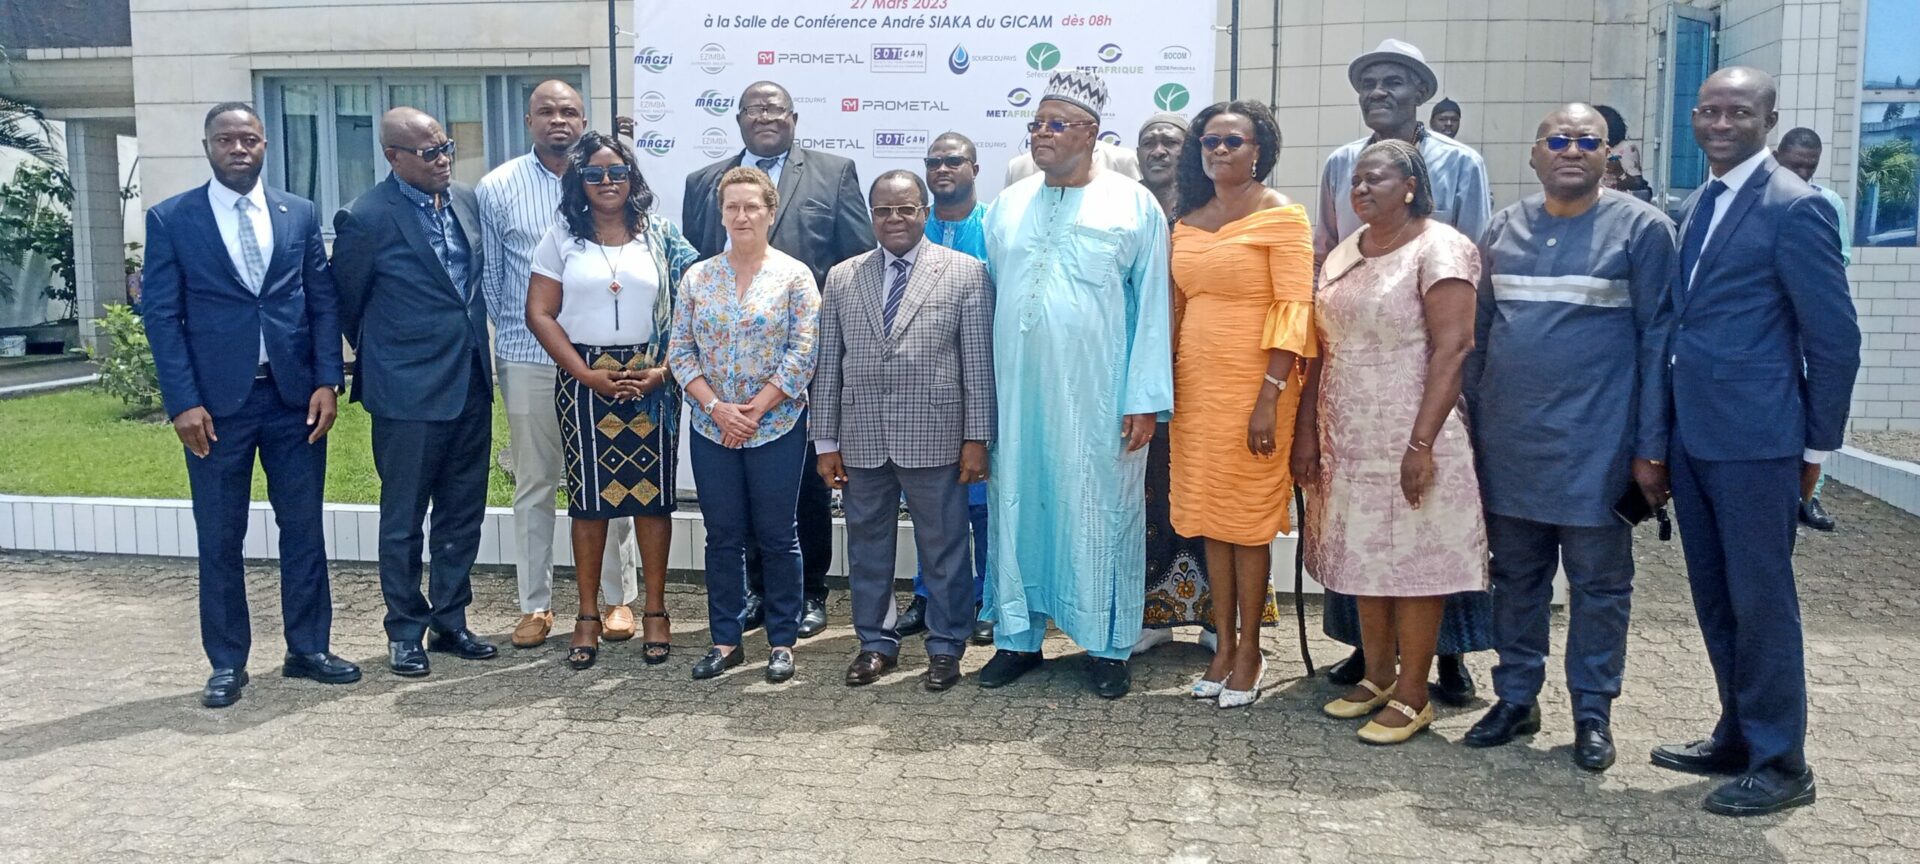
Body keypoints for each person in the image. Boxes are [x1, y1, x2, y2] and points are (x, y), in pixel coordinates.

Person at [1652, 67, 1859, 817]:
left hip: (1759, 441)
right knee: (1716, 596)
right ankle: (1738, 734)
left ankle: (1782, 763)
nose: (1720, 123)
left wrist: (1815, 452)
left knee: (1762, 601)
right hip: (1696, 435)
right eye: (1708, 110)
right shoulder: (1697, 203)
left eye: (1738, 111)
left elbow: (1834, 339)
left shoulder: (1795, 206)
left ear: (1768, 120)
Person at [1459, 105, 1677, 772]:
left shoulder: (1644, 229)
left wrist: (1651, 448)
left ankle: (1592, 712)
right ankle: (1516, 697)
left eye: (1587, 141)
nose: (1572, 150)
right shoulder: (1503, 228)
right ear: (1535, 154)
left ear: (1609, 155)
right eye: (1558, 140)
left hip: (1599, 450)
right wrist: (1470, 434)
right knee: (1515, 579)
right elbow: (1478, 340)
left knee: (1599, 586)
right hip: (1512, 446)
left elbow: (1660, 344)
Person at [142, 101, 359, 707]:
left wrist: (327, 379)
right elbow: (161, 316)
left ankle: (308, 649)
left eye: (249, 139)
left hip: (294, 400)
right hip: (214, 409)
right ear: (207, 147)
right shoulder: (172, 218)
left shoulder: (298, 213)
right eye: (226, 140)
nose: (238, 149)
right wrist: (182, 402)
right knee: (220, 536)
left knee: (304, 529)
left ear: (265, 145)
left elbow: (321, 301)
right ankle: (226, 662)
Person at [977, 70, 1173, 699]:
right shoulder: (1007, 206)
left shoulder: (1134, 204)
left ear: (1091, 133)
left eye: (1055, 124)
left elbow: (1153, 308)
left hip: (1100, 398)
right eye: (1035, 123)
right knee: (1018, 505)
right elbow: (992, 301)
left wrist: (1145, 399)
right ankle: (1018, 638)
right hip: (1018, 394)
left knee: (1101, 510)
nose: (1041, 134)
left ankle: (1109, 646)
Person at [1313, 38, 1493, 703]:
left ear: (1420, 92)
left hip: (1425, 381)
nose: (1379, 92)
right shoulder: (1340, 161)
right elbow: (1330, 254)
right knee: (1362, 532)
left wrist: (1439, 413)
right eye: (1369, 83)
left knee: (1428, 533)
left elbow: (1467, 276)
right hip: (1353, 394)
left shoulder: (1460, 167)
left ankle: (1445, 662)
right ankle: (1373, 661)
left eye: (1394, 81)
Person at [682, 81, 873, 638]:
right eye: (753, 109)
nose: (764, 116)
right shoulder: (703, 182)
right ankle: (753, 593)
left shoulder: (833, 173)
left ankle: (809, 592)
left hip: (802, 365)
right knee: (735, 502)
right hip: (722, 380)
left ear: (793, 116)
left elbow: (858, 261)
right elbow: (699, 260)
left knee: (803, 491)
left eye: (775, 108)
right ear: (739, 118)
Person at [477, 81, 647, 651]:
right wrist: (515, 340)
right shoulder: (498, 187)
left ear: (583, 118)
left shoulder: (609, 181)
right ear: (529, 120)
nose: (559, 120)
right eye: (546, 111)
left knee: (614, 476)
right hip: (530, 359)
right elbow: (494, 278)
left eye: (570, 111)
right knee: (536, 483)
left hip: (607, 363)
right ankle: (536, 605)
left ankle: (618, 600)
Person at [813, 170, 996, 692]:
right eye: (883, 211)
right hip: (862, 438)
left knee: (945, 549)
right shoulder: (843, 276)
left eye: (905, 209)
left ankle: (946, 645)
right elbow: (829, 365)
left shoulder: (965, 273)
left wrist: (977, 438)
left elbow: (977, 363)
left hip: (937, 437)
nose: (894, 219)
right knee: (867, 549)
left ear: (924, 212)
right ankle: (875, 643)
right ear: (871, 216)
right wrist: (825, 441)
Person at [333, 107, 498, 677]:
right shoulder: (364, 218)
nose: (443, 159)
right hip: (406, 393)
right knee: (404, 518)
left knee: (462, 511)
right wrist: (395, 358)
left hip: (470, 379)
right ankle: (404, 630)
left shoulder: (466, 201)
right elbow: (348, 305)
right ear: (394, 157)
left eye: (446, 147)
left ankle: (451, 620)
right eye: (429, 153)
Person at [523, 132, 697, 669]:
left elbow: (694, 305)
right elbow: (539, 313)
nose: (606, 182)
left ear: (632, 178)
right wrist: (584, 374)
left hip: (653, 379)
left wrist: (665, 371)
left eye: (617, 172)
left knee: (652, 499)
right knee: (589, 502)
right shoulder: (561, 236)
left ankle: (656, 612)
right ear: (578, 181)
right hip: (584, 380)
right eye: (594, 174)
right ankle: (587, 616)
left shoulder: (661, 235)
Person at [1167, 100, 1315, 709]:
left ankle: (1251, 650)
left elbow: (1294, 309)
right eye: (1210, 141)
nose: (1220, 150)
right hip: (1196, 390)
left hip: (1258, 389)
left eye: (1234, 141)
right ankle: (1223, 646)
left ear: (1260, 150)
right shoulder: (1187, 219)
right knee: (1210, 517)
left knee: (1248, 523)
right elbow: (1175, 309)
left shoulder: (1281, 216)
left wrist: (1269, 397)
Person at [668, 167, 820, 684]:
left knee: (778, 535)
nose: (741, 216)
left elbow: (803, 352)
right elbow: (680, 352)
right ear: (721, 214)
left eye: (751, 206)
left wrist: (754, 409)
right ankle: (725, 641)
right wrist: (717, 408)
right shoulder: (698, 277)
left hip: (775, 426)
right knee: (723, 537)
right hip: (712, 429)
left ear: (770, 212)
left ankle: (782, 641)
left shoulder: (794, 276)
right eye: (732, 207)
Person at [1135, 111, 1230, 657]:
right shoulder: (1125, 207)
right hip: (1144, 374)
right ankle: (1156, 615)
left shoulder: (1211, 210)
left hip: (1204, 372)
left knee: (1210, 490)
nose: (1158, 150)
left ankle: (1221, 617)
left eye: (1169, 141)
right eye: (1148, 142)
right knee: (1152, 495)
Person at [895, 132, 994, 647]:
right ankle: (929, 595)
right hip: (923, 393)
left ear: (975, 167)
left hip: (984, 380)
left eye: (953, 160)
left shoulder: (997, 227)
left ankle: (990, 599)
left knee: (984, 502)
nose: (942, 168)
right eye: (933, 161)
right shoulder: (912, 226)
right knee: (930, 501)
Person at [1774, 126, 1852, 532]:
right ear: (1777, 158)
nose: (1802, 174)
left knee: (1817, 402)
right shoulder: (1765, 200)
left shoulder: (1826, 202)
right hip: (1778, 323)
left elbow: (1840, 258)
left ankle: (1810, 495)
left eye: (1810, 167)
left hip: (1813, 313)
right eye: (1795, 166)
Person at [1003, 138, 1141, 186]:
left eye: (1058, 124)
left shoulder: (1121, 161)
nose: (1044, 131)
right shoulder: (1019, 167)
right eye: (1038, 123)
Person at [1595, 105, 1651, 200]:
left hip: (1618, 201)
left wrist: (1619, 172)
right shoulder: (1591, 146)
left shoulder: (1626, 148)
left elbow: (1637, 184)